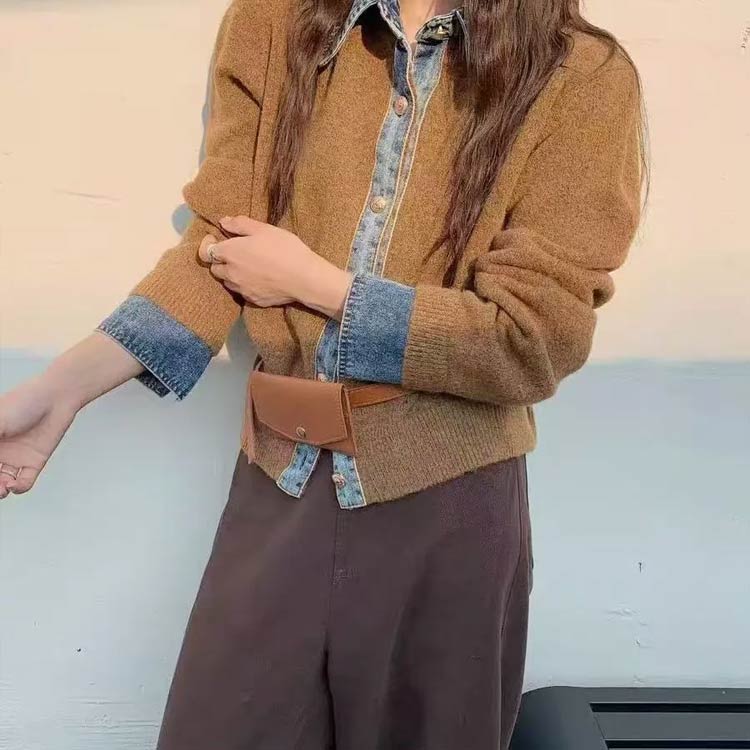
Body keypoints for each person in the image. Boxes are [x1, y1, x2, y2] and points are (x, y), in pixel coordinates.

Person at [0, 0, 648, 747]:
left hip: (447, 509)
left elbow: (531, 338)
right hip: (279, 483)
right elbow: (221, 246)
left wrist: (320, 286)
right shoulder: (276, 20)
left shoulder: (580, 74)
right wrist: (60, 392)